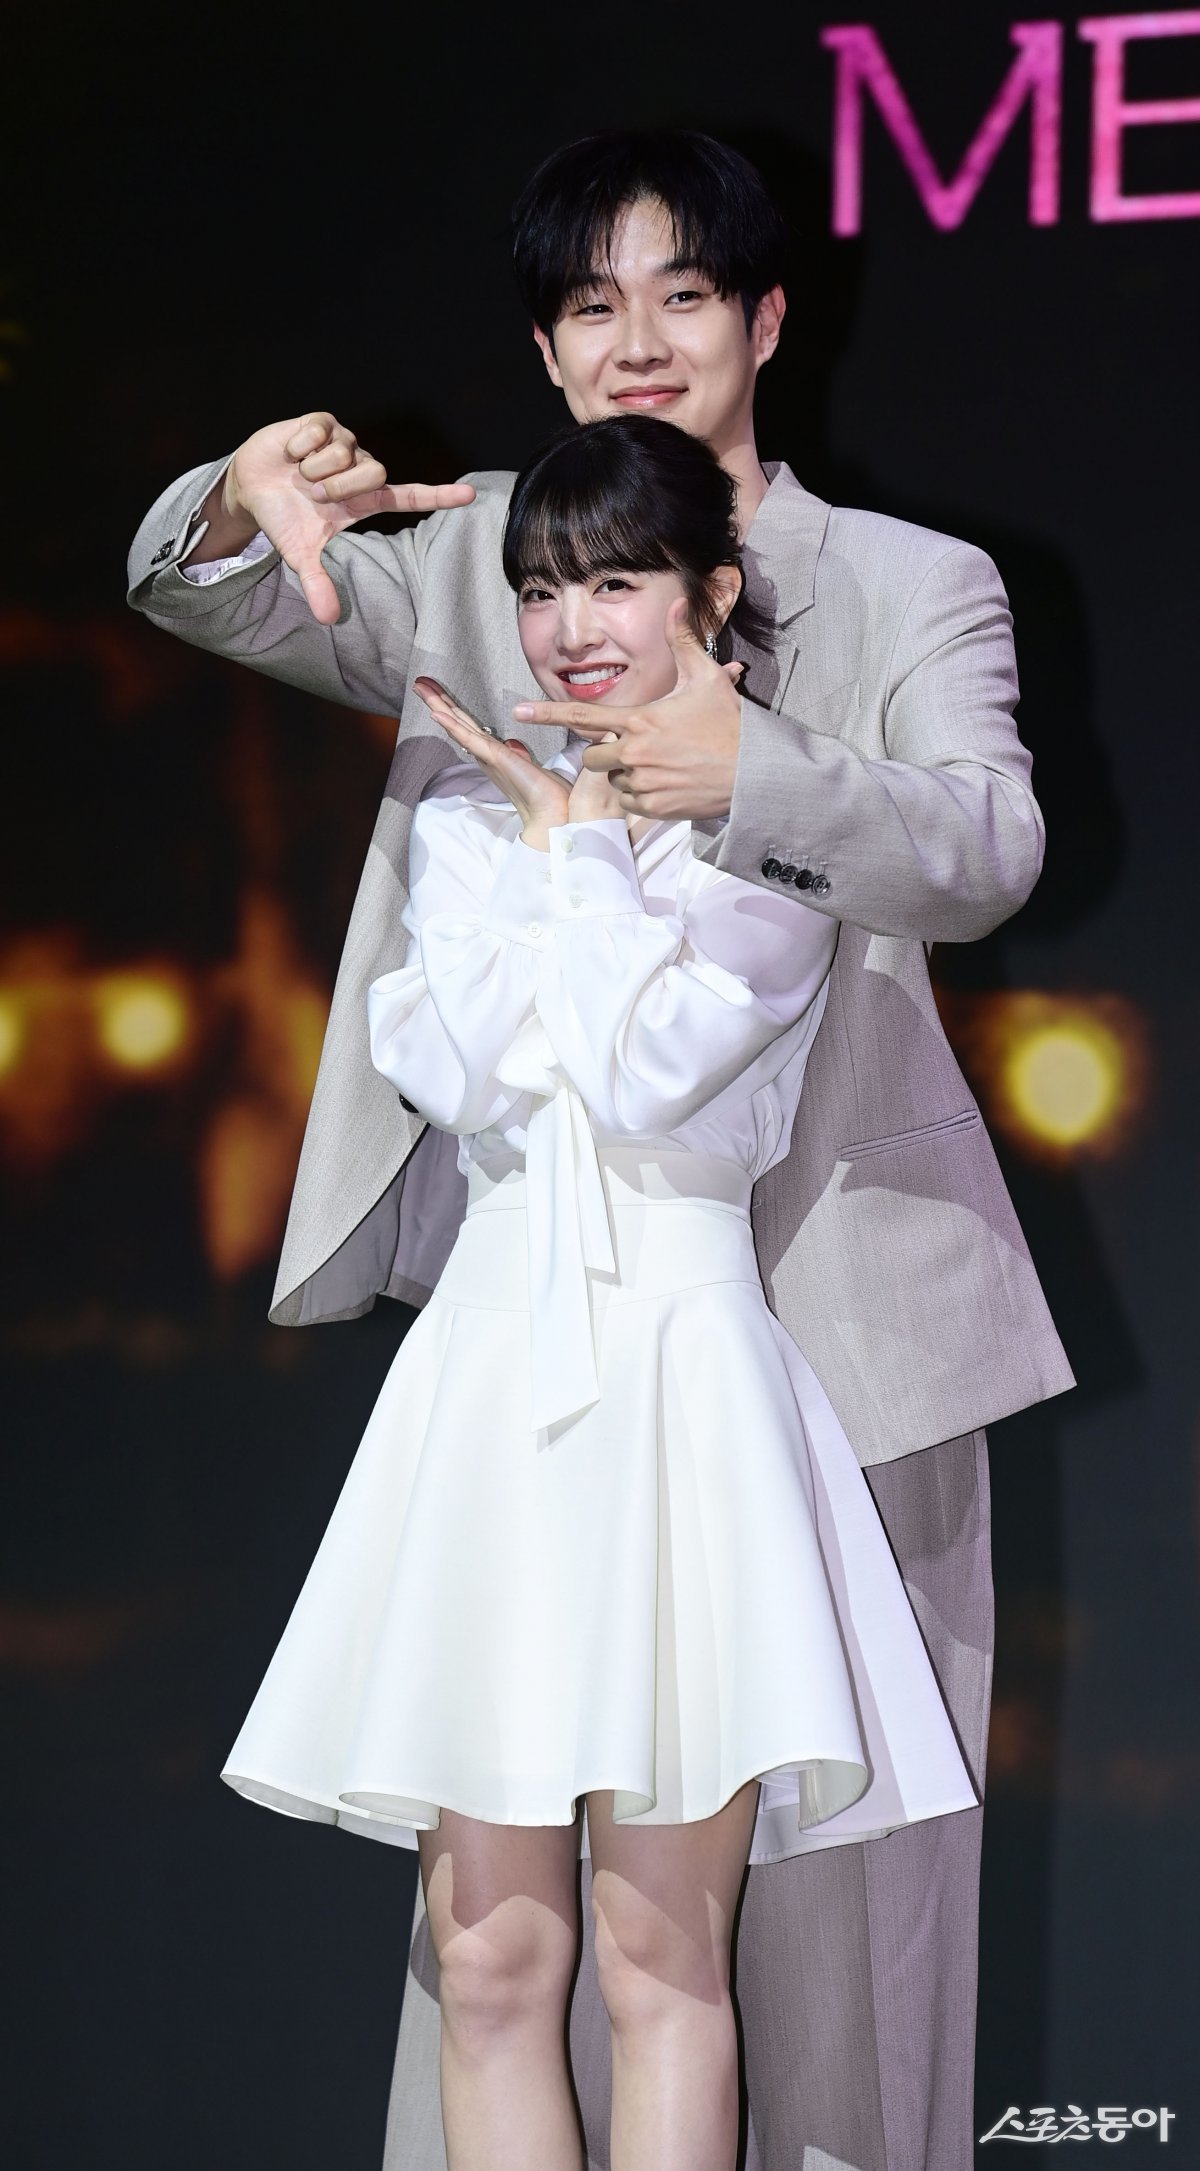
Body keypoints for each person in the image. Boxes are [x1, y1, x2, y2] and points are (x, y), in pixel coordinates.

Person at [126, 130, 1073, 2171]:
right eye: (586, 304)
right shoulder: (481, 566)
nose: (633, 341)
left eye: (680, 295)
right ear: (548, 351)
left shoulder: (912, 586)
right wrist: (239, 491)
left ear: (765, 324)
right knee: (501, 1953)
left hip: (848, 1323)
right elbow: (199, 585)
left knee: (823, 1967)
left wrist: (764, 771)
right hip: (550, 1348)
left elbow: (992, 853)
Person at [219, 411, 981, 2171]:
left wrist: (578, 856)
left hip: (684, 1381)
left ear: (712, 598)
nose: (573, 623)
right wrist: (546, 846)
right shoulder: (472, 820)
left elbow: (647, 1075)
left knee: (656, 1959)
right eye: (545, 585)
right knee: (491, 1961)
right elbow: (451, 1059)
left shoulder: (767, 829)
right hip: (492, 1378)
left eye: (618, 579)